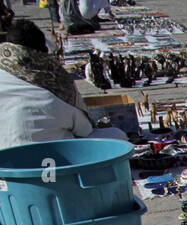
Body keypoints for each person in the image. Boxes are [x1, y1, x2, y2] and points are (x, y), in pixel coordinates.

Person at [0, 19, 127, 150]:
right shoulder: (57, 82)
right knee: (118, 136)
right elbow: (84, 130)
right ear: (41, 53)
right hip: (54, 158)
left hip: (5, 161)